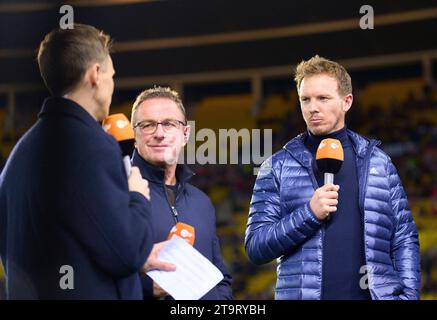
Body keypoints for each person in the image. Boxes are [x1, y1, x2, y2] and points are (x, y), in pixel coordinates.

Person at [0, 24, 174, 300]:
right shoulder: (91, 145)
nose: (112, 84)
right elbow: (126, 253)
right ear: (95, 75)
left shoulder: (18, 157)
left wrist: (140, 283)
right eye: (111, 75)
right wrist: (137, 196)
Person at [245, 55, 421, 300]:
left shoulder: (379, 163)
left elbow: (404, 237)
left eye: (323, 98)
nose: (312, 107)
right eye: (305, 99)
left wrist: (409, 296)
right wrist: (308, 213)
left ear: (347, 101)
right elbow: (256, 247)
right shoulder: (277, 167)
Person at [130, 86, 233, 299]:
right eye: (148, 125)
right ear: (134, 136)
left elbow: (220, 276)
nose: (159, 133)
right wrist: (146, 289)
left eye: (168, 124)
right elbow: (92, 273)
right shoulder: (115, 194)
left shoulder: (201, 202)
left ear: (185, 134)